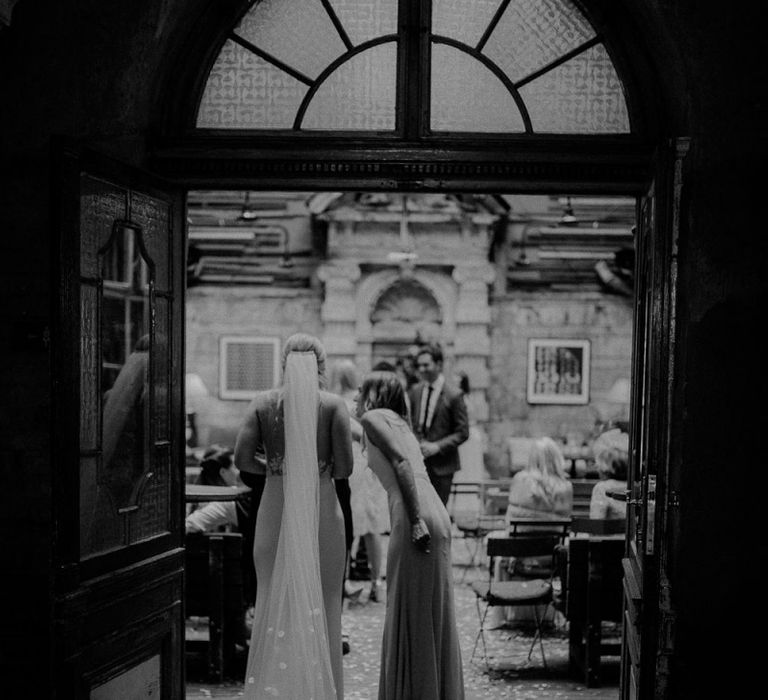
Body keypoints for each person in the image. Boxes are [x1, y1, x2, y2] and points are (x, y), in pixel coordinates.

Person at [234, 333, 353, 700]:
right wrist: (311, 470)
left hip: (274, 503)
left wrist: (276, 468)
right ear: (320, 366)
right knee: (326, 601)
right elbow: (344, 468)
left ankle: (274, 687)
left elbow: (240, 459)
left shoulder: (263, 404)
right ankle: (323, 689)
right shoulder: (333, 406)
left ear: (283, 364)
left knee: (271, 595)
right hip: (321, 507)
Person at [358, 371, 464, 700]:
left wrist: (416, 520)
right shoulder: (398, 423)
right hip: (435, 511)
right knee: (430, 611)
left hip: (414, 512)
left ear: (376, 394)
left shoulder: (373, 417)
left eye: (363, 389)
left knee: (412, 610)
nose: (357, 394)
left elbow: (402, 463)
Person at [329, 359, 389, 603]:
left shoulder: (334, 401)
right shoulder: (360, 401)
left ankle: (345, 580)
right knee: (367, 524)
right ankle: (375, 581)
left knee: (347, 523)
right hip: (361, 465)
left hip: (348, 466)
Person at [409, 343, 469, 505]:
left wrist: (437, 446)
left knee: (438, 514)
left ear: (439, 364)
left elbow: (462, 432)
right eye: (419, 365)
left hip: (443, 466)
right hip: (419, 463)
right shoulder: (416, 391)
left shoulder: (454, 395)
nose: (421, 369)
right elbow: (412, 423)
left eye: (426, 365)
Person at [185, 446, 246, 534]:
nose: (240, 472)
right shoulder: (227, 501)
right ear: (223, 472)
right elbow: (191, 525)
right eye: (236, 467)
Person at [589, 428, 629, 520]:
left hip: (609, 534)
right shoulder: (634, 487)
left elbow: (597, 521)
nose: (597, 468)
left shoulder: (602, 488)